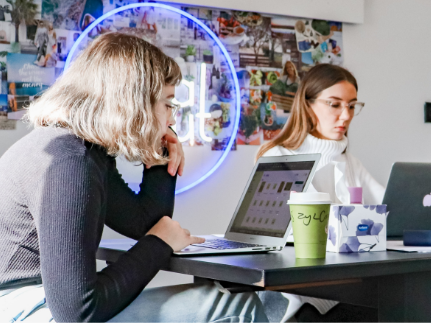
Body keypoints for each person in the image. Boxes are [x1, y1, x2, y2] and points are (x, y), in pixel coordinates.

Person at [0, 33, 270, 322]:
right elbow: (77, 312)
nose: (172, 118)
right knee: (235, 305)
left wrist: (158, 158)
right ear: (134, 102)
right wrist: (158, 243)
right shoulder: (72, 162)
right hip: (23, 308)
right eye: (168, 104)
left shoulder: (79, 149)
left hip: (31, 302)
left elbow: (143, 222)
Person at [256, 63, 385, 321]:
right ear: (307, 104)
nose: (346, 115)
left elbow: (389, 207)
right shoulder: (277, 157)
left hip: (347, 286)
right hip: (299, 292)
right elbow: (276, 238)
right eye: (335, 104)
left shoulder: (348, 160)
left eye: (351, 105)